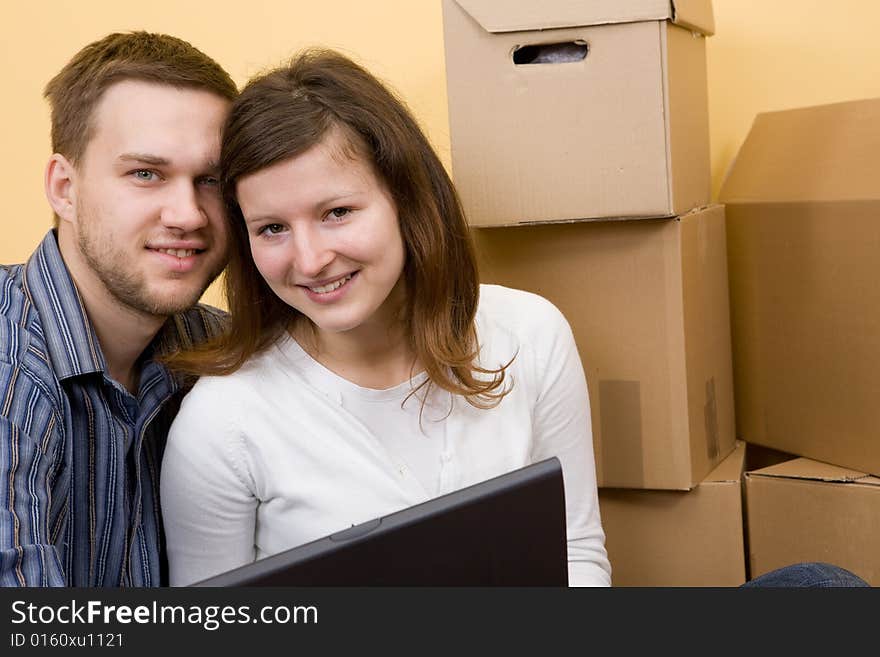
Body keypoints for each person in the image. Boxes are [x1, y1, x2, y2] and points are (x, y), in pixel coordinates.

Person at [159, 48, 613, 587]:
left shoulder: (532, 335)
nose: (309, 260)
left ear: (405, 199)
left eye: (337, 213)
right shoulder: (221, 424)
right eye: (272, 228)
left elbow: (576, 554)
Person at [0, 31, 237, 586]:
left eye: (212, 180)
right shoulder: (9, 360)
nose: (188, 215)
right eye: (146, 174)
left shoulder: (222, 352)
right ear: (64, 187)